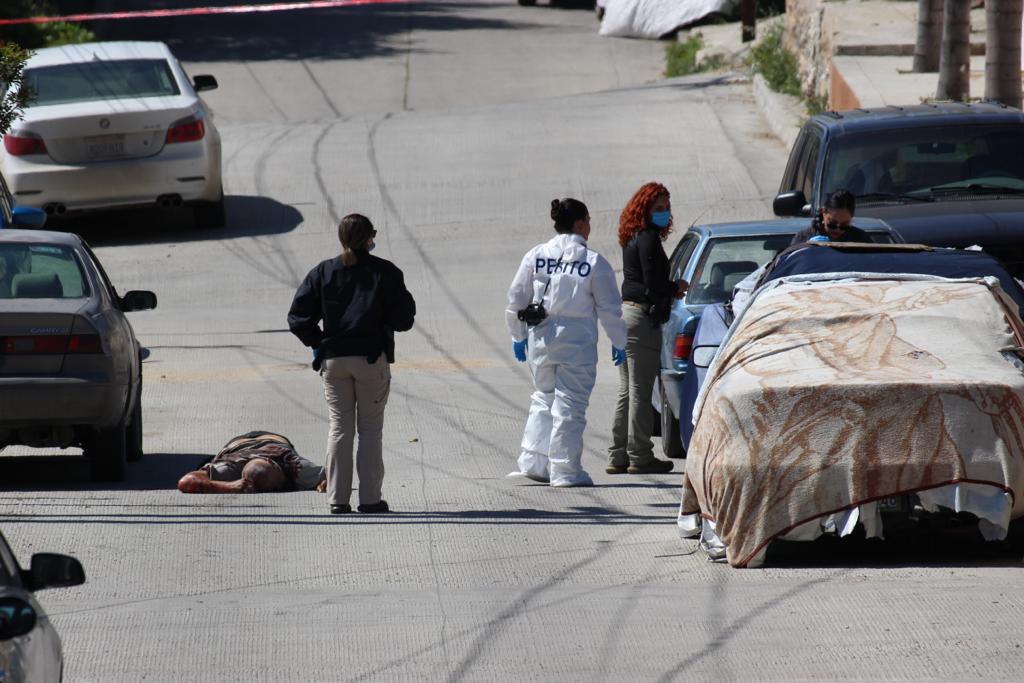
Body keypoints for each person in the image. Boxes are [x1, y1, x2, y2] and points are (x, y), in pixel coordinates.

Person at [288, 214, 416, 514]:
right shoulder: (384, 272)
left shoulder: (323, 271)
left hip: (334, 361)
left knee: (339, 428)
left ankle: (337, 499)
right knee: (370, 430)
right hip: (371, 360)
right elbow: (404, 319)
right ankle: (370, 499)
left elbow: (297, 317)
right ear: (370, 237)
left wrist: (319, 342)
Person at [506, 198, 628, 488]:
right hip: (577, 340)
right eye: (588, 221)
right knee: (570, 404)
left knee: (543, 396)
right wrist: (619, 341)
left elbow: (516, 298)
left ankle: (534, 461)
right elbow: (609, 309)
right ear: (580, 223)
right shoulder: (593, 262)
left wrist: (517, 335)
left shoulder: (536, 255)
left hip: (541, 336)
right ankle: (564, 470)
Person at [608, 182, 686, 475]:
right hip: (641, 320)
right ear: (645, 209)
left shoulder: (632, 237)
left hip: (626, 316)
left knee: (627, 390)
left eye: (667, 208)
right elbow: (654, 285)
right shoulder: (649, 239)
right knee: (640, 391)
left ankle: (618, 454)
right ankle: (640, 454)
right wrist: (674, 287)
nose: (665, 214)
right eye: (659, 208)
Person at [177, 431, 326, 494]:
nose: (280, 487)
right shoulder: (230, 468)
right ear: (241, 475)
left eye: (278, 486)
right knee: (205, 467)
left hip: (274, 439)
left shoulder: (294, 466)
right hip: (237, 446)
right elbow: (185, 482)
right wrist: (227, 486)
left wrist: (325, 482)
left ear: (273, 463)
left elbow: (338, 473)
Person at [790, 189, 872, 245]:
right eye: (832, 224)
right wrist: (804, 248)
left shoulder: (861, 240)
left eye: (844, 226)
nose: (838, 229)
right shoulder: (803, 237)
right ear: (823, 213)